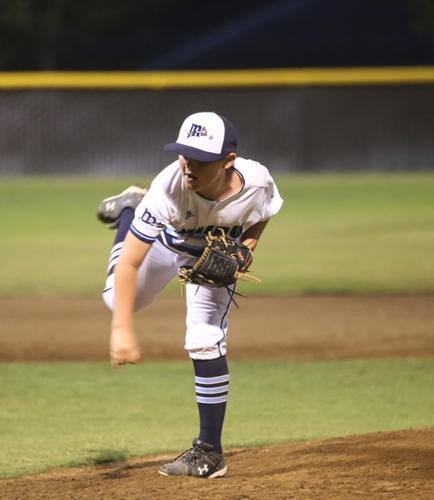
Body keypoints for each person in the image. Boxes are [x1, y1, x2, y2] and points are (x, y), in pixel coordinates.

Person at [97, 111, 283, 478]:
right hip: (166, 245)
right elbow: (132, 262)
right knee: (117, 298)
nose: (188, 164)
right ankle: (130, 209)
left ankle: (210, 452)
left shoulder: (257, 180)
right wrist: (121, 329)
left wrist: (246, 249)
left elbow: (263, 213)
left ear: (228, 161)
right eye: (184, 154)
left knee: (205, 339)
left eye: (200, 158)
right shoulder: (168, 187)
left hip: (211, 253)